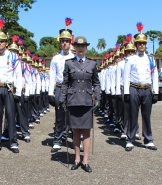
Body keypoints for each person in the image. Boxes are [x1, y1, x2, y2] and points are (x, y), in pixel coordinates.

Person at [59, 36, 101, 173]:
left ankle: (85, 160)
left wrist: (98, 98)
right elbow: (65, 83)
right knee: (75, 131)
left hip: (87, 101)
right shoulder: (69, 63)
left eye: (83, 46)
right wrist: (62, 99)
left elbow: (96, 83)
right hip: (73, 100)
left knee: (87, 132)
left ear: (86, 47)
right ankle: (77, 159)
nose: (80, 48)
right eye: (78, 46)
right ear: (74, 47)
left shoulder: (92, 64)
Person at [0, 18, 22, 154]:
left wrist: (18, 92)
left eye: (2, 41)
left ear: (6, 43)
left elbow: (18, 75)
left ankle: (13, 142)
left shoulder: (13, 56)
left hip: (9, 89)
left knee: (10, 115)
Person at [124, 22, 158, 151]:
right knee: (133, 115)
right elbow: (126, 76)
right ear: (136, 45)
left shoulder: (151, 59)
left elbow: (154, 76)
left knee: (146, 115)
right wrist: (126, 92)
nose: (141, 45)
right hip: (134, 88)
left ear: (145, 45)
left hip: (146, 89)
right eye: (139, 43)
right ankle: (130, 139)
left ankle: (148, 140)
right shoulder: (130, 59)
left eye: (143, 43)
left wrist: (155, 91)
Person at [48, 18, 75, 152]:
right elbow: (52, 76)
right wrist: (50, 93)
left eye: (67, 41)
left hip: (72, 89)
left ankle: (75, 141)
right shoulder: (55, 58)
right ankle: (57, 140)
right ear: (60, 43)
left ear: (71, 42)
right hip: (59, 88)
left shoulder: (75, 57)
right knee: (59, 116)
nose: (65, 44)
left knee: (74, 116)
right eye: (63, 41)